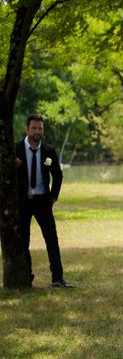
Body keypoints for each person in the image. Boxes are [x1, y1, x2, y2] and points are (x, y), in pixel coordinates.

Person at [15, 114, 73, 288]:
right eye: (33, 128)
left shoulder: (49, 150)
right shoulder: (15, 149)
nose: (37, 132)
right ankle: (27, 277)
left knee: (52, 240)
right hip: (23, 202)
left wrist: (53, 197)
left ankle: (58, 278)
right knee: (23, 241)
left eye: (40, 128)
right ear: (27, 129)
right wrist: (13, 166)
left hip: (42, 202)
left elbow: (58, 175)